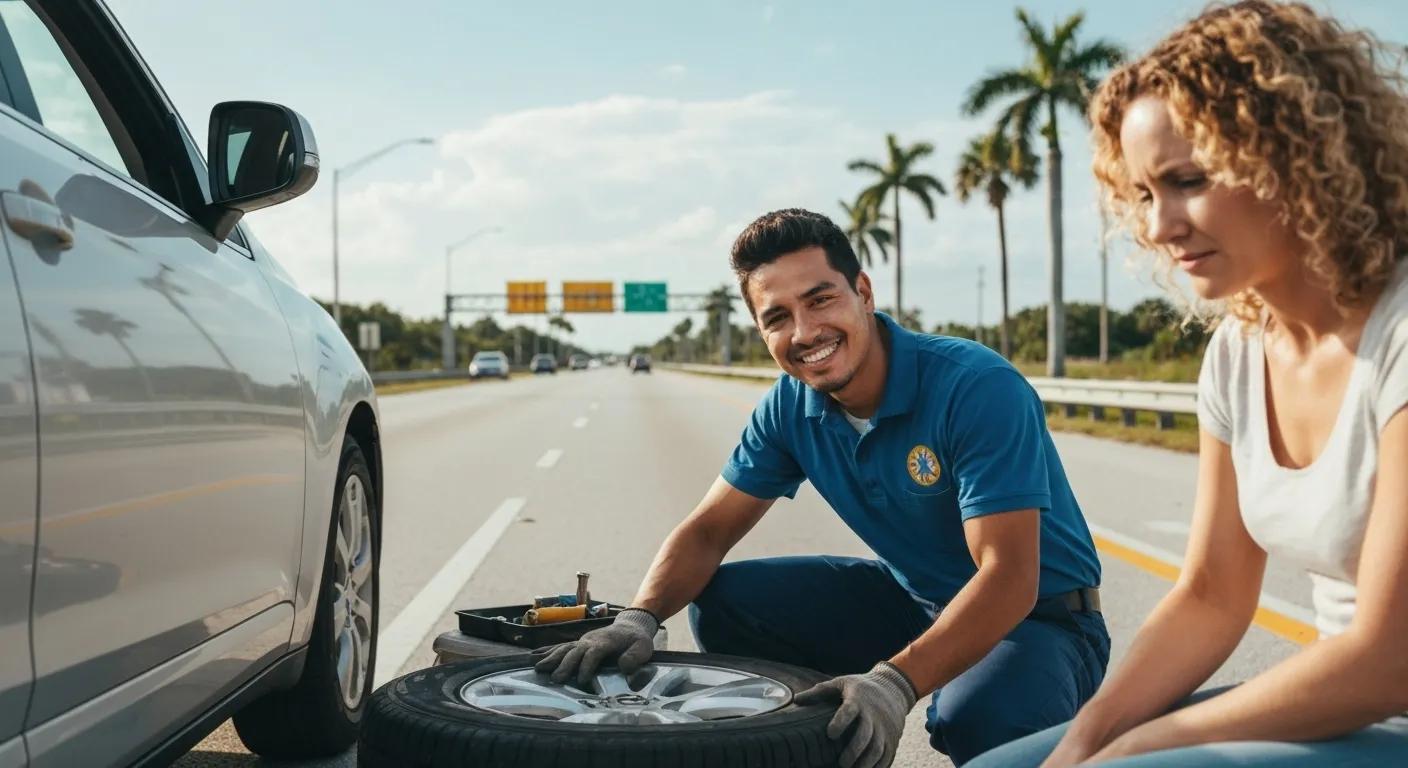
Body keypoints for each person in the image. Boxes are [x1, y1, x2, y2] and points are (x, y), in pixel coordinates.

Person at [968, 2, 1408, 766]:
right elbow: (1211, 595)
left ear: (1295, 157)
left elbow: (1386, 657)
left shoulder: (1399, 333)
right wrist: (1089, 735)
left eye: (1188, 180)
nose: (1160, 225)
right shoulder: (1237, 352)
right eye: (1143, 194)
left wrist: (1153, 740)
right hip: (1357, 715)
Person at [535, 208, 1109, 766]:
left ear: (864, 290)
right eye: (777, 316)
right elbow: (709, 531)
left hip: (1041, 619)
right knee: (726, 604)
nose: (805, 332)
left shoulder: (975, 386)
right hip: (916, 600)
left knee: (981, 717)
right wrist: (638, 618)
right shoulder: (789, 407)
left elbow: (1009, 578)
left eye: (820, 299)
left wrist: (894, 683)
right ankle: (819, 745)